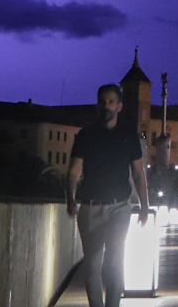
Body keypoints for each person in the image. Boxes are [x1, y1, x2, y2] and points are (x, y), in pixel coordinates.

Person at [67, 84, 150, 307]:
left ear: (119, 106)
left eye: (111, 102)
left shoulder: (128, 136)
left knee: (114, 262)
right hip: (91, 207)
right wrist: (70, 199)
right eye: (103, 102)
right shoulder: (86, 135)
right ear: (98, 105)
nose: (107, 106)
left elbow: (139, 174)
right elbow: (74, 171)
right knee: (92, 266)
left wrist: (144, 206)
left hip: (120, 207)